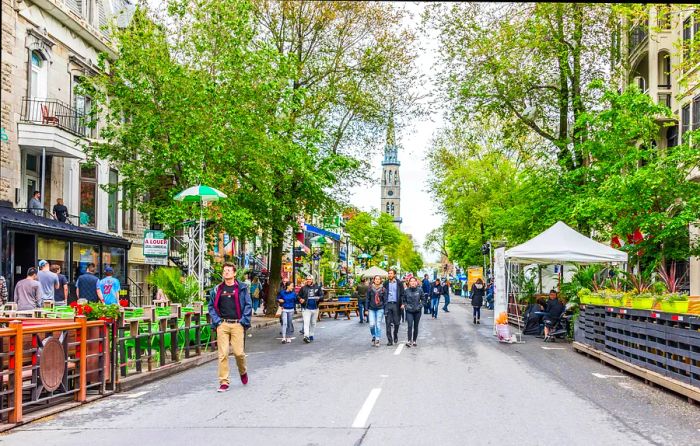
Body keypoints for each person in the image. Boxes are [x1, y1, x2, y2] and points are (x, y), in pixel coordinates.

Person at [208, 262, 252, 392]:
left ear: (234, 273)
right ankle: (224, 382)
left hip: (237, 324)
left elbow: (248, 305)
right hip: (222, 324)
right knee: (223, 354)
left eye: (229, 270)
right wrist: (217, 321)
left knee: (239, 353)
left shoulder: (242, 288)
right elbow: (211, 306)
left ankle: (243, 371)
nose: (226, 272)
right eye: (224, 270)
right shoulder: (217, 290)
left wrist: (243, 321)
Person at [298, 275, 324, 343]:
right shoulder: (303, 288)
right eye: (307, 279)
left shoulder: (317, 288)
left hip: (315, 308)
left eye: (309, 279)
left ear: (312, 280)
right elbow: (298, 296)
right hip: (306, 308)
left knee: (313, 323)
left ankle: (311, 335)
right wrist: (300, 299)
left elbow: (322, 296)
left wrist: (319, 298)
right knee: (306, 323)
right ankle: (306, 336)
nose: (308, 280)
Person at [383, 268, 404, 346]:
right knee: (388, 323)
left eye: (391, 273)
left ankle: (395, 334)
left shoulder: (399, 283)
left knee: (397, 323)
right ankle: (390, 340)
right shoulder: (385, 283)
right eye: (389, 273)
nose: (390, 275)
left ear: (394, 274)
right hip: (388, 305)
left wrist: (402, 303)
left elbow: (402, 294)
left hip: (396, 305)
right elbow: (383, 294)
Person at [403, 276, 426, 347]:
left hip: (417, 311)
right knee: (410, 325)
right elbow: (404, 300)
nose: (412, 282)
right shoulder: (406, 291)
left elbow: (423, 300)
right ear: (409, 283)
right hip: (409, 311)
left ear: (416, 282)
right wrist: (406, 306)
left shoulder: (420, 290)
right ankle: (409, 341)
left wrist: (420, 306)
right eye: (411, 281)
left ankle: (414, 340)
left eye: (414, 281)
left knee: (416, 326)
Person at [367, 275, 387, 347]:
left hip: (380, 308)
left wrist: (385, 310)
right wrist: (366, 309)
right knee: (371, 325)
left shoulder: (383, 289)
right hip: (371, 308)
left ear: (380, 280)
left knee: (378, 324)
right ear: (374, 280)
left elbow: (385, 300)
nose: (377, 280)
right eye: (376, 279)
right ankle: (373, 336)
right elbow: (367, 299)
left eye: (379, 279)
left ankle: (378, 339)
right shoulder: (370, 288)